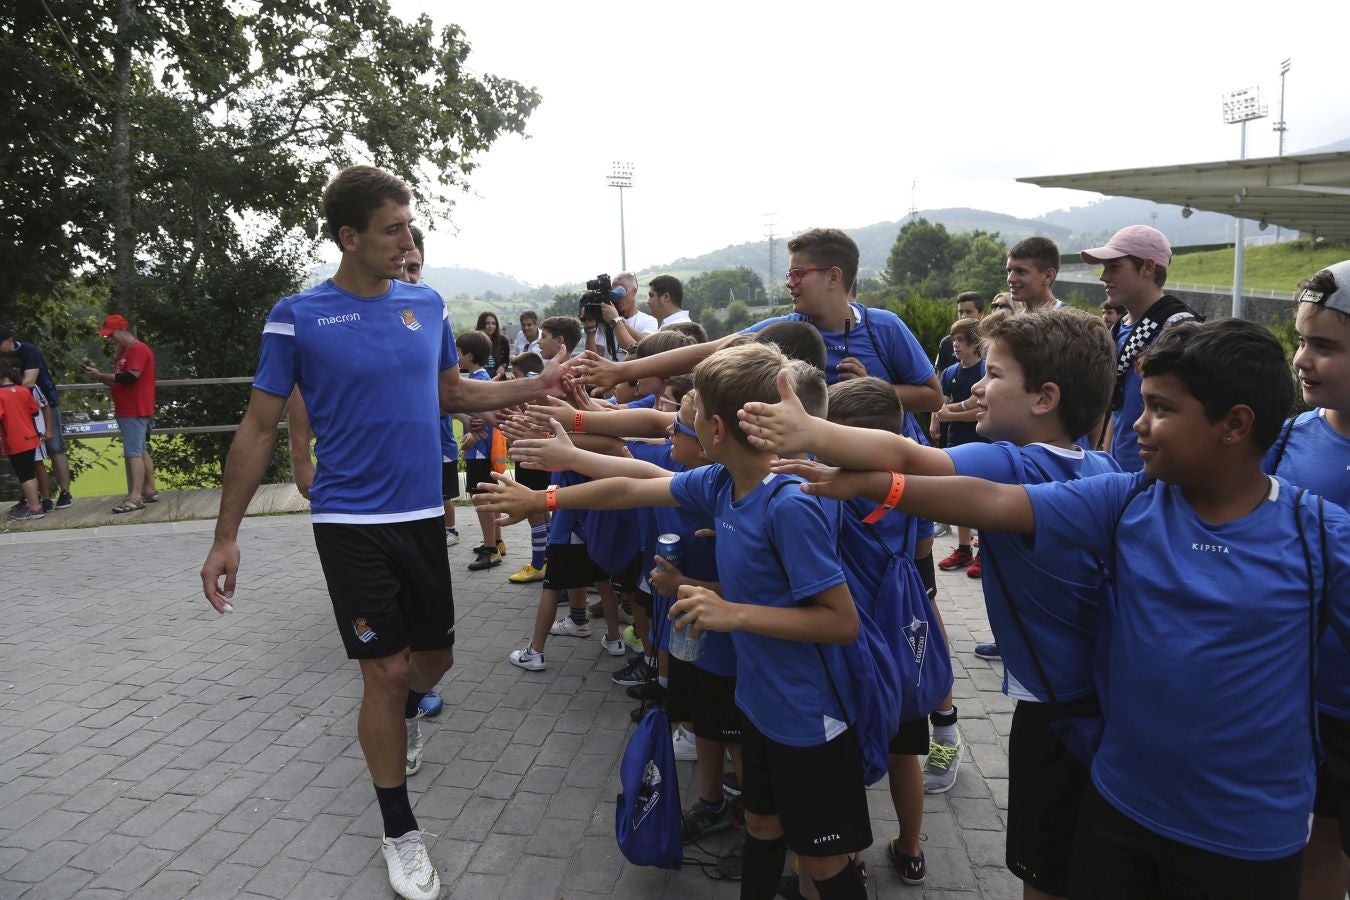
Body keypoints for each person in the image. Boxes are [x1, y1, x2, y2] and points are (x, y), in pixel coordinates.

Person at [770, 318, 1349, 900]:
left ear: (1236, 425)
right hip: (1122, 803)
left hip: (1247, 834)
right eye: (1139, 406)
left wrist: (830, 445)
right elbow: (993, 500)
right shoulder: (1127, 497)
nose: (1138, 427)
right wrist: (876, 486)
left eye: (1161, 410)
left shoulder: (1320, 537)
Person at [199, 164, 566, 900]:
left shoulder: (425, 304)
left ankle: (397, 720)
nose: (406, 241)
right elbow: (258, 425)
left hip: (425, 515)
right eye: (392, 229)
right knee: (387, 669)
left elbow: (452, 394)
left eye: (408, 227)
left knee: (435, 663)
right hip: (348, 520)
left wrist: (539, 383)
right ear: (350, 237)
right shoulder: (297, 315)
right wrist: (225, 536)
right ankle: (401, 830)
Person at [742, 307, 1120, 900]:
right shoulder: (1099, 466)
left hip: (1059, 711)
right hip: (1105, 702)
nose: (976, 386)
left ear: (1045, 397)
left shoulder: (1021, 463)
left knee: (1045, 869)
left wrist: (812, 432)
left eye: (994, 375)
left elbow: (911, 457)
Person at [477, 341, 873, 899]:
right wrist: (542, 503)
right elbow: (633, 484)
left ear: (714, 428)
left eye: (686, 417)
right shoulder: (723, 483)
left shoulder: (789, 503)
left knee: (824, 861)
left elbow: (840, 622)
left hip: (810, 716)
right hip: (761, 703)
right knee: (761, 827)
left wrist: (732, 613)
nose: (674, 429)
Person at [1264, 261, 1350, 900]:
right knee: (1315, 832)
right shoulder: (1292, 433)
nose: (1303, 359)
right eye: (1301, 341)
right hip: (1299, 689)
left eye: (1326, 347)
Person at [1084, 225, 1198, 471]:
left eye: (1114, 267)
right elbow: (1118, 403)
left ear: (1147, 267)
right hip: (1119, 473)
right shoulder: (1119, 328)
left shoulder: (1178, 330)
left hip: (1157, 478)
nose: (1104, 276)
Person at [931, 316, 989, 580]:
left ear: (975, 343)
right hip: (956, 442)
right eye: (954, 339)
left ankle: (984, 554)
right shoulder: (951, 372)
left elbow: (979, 409)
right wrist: (937, 419)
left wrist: (950, 413)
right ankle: (964, 548)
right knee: (961, 498)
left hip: (982, 443)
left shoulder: (985, 371)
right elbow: (940, 403)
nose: (956, 345)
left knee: (981, 500)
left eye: (962, 340)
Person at [84, 314, 157, 514]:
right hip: (129, 408)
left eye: (111, 334)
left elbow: (131, 377)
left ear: (124, 331)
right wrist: (99, 376)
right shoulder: (123, 352)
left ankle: (136, 497)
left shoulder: (137, 349)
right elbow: (117, 379)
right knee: (140, 450)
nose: (109, 339)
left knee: (133, 453)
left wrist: (102, 376)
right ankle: (149, 490)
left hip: (135, 409)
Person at [0, 324, 73, 509]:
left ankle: (65, 492)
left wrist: (9, 393)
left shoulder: (29, 351)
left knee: (55, 447)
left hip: (43, 402)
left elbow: (30, 381)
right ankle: (34, 498)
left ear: (9, 341)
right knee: (30, 457)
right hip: (19, 409)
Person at [0, 358, 47, 520]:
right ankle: (33, 503)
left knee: (24, 475)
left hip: (14, 439)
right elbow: (33, 411)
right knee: (30, 472)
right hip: (31, 437)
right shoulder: (23, 390)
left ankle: (34, 508)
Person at [587, 271, 658, 360]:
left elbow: (648, 346)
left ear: (634, 291)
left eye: (621, 291)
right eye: (613, 292)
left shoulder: (648, 320)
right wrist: (590, 328)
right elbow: (593, 358)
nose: (616, 297)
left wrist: (616, 320)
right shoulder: (605, 320)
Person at [1005, 237, 1064, 314]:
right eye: (1009, 271)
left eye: (1021, 271)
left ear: (1048, 276)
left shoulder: (1074, 323)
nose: (1010, 279)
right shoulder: (1012, 322)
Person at [931, 292, 983, 377]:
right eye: (960, 312)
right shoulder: (947, 343)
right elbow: (939, 380)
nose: (963, 316)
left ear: (981, 314)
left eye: (968, 312)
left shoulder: (990, 342)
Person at [475, 311, 511, 378]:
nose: (490, 326)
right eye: (487, 323)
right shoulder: (475, 341)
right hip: (480, 379)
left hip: (498, 379)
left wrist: (502, 366)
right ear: (481, 324)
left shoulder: (503, 340)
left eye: (493, 323)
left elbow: (506, 360)